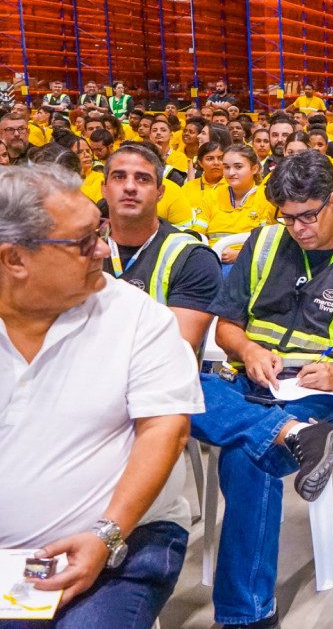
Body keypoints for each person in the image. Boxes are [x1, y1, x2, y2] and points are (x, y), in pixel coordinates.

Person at [192, 151, 333, 629]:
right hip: (251, 380)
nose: (298, 228)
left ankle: (246, 615)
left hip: (324, 390)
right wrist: (248, 350)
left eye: (308, 215)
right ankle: (292, 434)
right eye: (288, 218)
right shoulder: (264, 243)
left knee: (244, 455)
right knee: (177, 386)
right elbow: (226, 326)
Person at [0, 164, 203, 629]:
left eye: (99, 232)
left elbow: (166, 432)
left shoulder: (134, 317)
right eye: (82, 242)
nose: (103, 249)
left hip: (121, 545)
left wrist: (105, 535)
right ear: (15, 260)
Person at [101, 144, 221, 351]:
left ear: (160, 192)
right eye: (119, 177)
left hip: (154, 379)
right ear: (104, 188)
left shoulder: (193, 257)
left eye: (142, 179)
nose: (130, 186)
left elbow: (177, 349)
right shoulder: (78, 251)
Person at [195, 144, 274, 252]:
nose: (231, 173)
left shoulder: (266, 198)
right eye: (227, 167)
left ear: (254, 169)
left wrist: (239, 254)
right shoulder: (211, 196)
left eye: (238, 167)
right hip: (211, 257)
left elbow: (268, 240)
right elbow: (197, 235)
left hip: (249, 259)